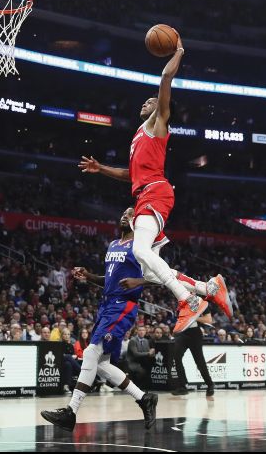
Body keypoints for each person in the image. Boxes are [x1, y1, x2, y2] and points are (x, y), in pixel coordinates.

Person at [78, 36, 233, 333]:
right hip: (146, 193)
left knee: (139, 251)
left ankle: (188, 300)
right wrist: (101, 169)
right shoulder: (138, 135)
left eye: (150, 101)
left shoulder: (158, 123)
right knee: (148, 267)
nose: (145, 102)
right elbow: (130, 175)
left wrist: (178, 51)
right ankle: (209, 288)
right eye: (146, 101)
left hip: (156, 193)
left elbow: (164, 77)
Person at [41, 208, 157, 432]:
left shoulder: (140, 247)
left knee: (91, 352)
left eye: (131, 215)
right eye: (123, 213)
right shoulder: (114, 244)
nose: (125, 216)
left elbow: (160, 276)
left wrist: (138, 282)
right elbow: (109, 280)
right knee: (102, 363)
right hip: (107, 305)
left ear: (139, 223)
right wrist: (89, 276)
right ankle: (144, 398)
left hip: (123, 306)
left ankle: (71, 411)